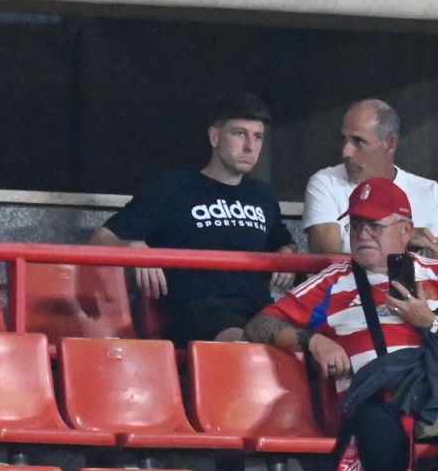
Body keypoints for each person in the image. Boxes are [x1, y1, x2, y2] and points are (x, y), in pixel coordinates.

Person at [246, 178, 438, 471]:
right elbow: (258, 325)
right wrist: (313, 341)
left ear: (405, 230)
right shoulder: (332, 281)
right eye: (356, 225)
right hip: (375, 400)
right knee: (380, 440)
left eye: (374, 226)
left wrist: (431, 321)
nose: (363, 234)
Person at [91, 92, 297, 343]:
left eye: (258, 137)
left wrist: (287, 254)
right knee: (244, 345)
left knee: (315, 342)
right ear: (214, 136)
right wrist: (134, 248)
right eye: (239, 133)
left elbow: (284, 243)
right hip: (197, 313)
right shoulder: (172, 187)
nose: (249, 146)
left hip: (261, 312)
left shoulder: (262, 195)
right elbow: (99, 239)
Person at [302, 99, 438, 259]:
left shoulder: (431, 193)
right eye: (344, 140)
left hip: (410, 285)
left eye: (359, 141)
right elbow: (327, 260)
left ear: (390, 143)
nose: (346, 152)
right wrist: (400, 239)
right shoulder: (326, 182)